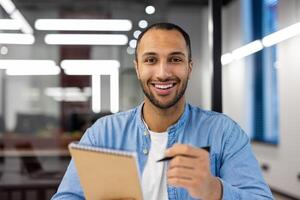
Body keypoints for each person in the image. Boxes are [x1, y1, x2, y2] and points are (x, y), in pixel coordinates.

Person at [52, 22, 273, 200]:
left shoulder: (223, 132)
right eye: (151, 60)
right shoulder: (103, 134)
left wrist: (215, 191)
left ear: (189, 67)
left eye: (175, 59)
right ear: (138, 68)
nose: (162, 73)